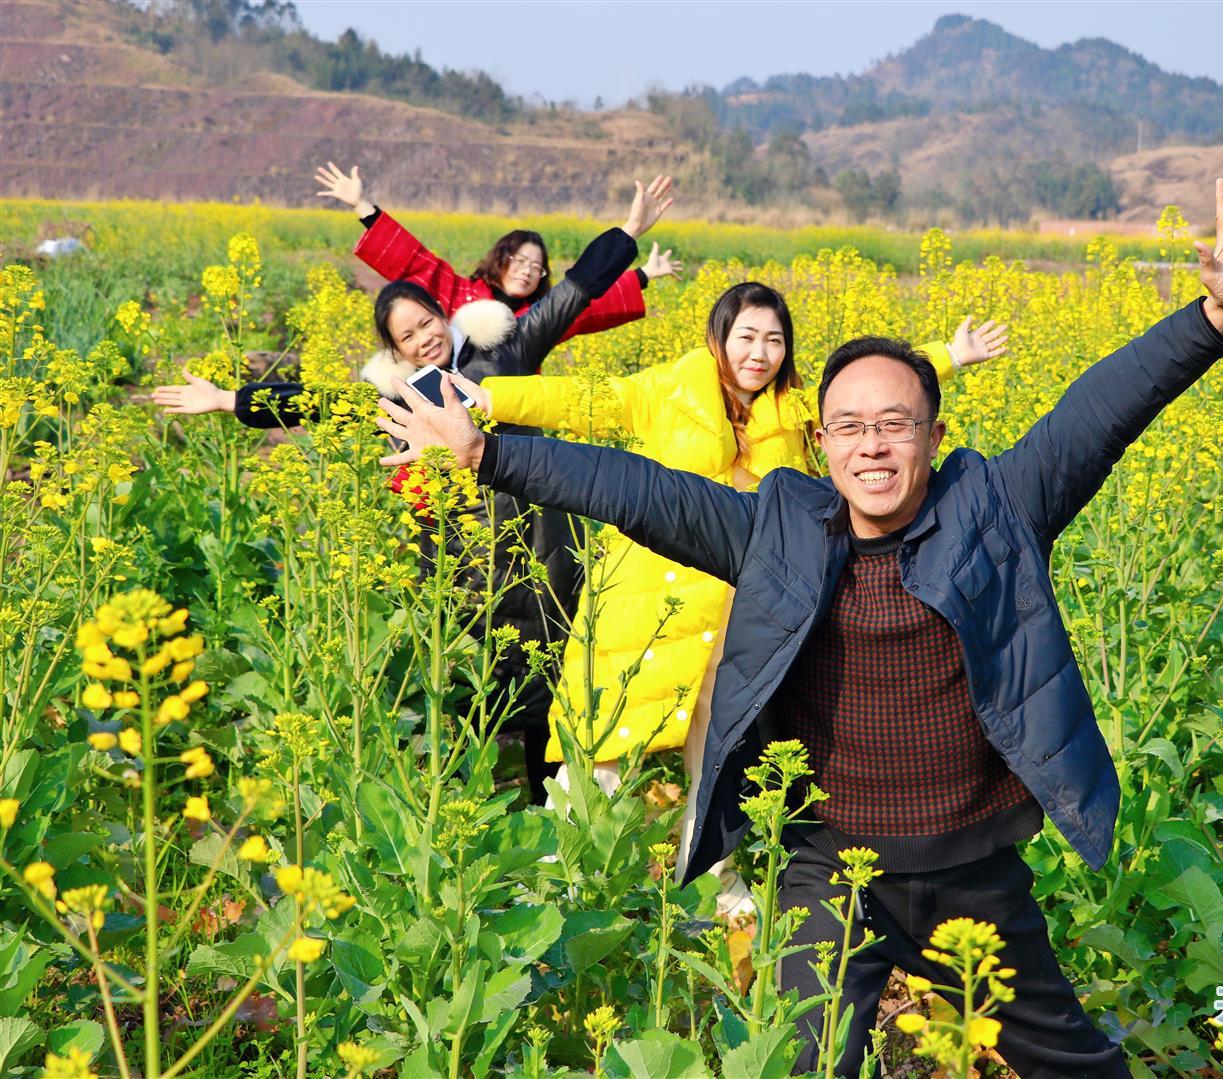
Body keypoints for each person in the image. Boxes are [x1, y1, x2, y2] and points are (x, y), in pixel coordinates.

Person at [373, 171, 1223, 1078]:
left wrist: (1213, 317)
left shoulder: (996, 503)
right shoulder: (778, 526)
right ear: (823, 440)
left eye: (894, 424)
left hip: (971, 868)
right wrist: (488, 453)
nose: (871, 445)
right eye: (848, 426)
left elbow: (1099, 412)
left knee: (1069, 1062)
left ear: (933, 432)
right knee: (800, 1061)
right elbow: (635, 488)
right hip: (829, 869)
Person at [466, 281, 1007, 913]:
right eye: (747, 336)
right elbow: (581, 397)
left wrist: (949, 353)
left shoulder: (795, 410)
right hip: (647, 601)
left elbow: (870, 402)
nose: (760, 352)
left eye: (774, 340)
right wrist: (485, 395)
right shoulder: (664, 390)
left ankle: (710, 887)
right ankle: (556, 882)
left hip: (734, 608)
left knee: (718, 751)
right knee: (602, 741)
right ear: (719, 337)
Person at [152, 178, 675, 805]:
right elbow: (318, 404)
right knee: (478, 677)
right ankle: (477, 812)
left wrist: (629, 231)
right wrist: (228, 400)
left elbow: (572, 293)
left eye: (427, 322)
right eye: (407, 336)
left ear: (445, 317)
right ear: (396, 351)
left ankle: (552, 813)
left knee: (552, 673)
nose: (424, 337)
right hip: (461, 555)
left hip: (543, 541)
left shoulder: (507, 349)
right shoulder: (400, 398)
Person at [314, 162, 681, 341]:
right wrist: (363, 205)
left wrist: (643, 274)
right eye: (519, 260)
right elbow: (413, 261)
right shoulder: (458, 294)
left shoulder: (536, 320)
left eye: (536, 267)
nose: (526, 270)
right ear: (499, 260)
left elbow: (585, 302)